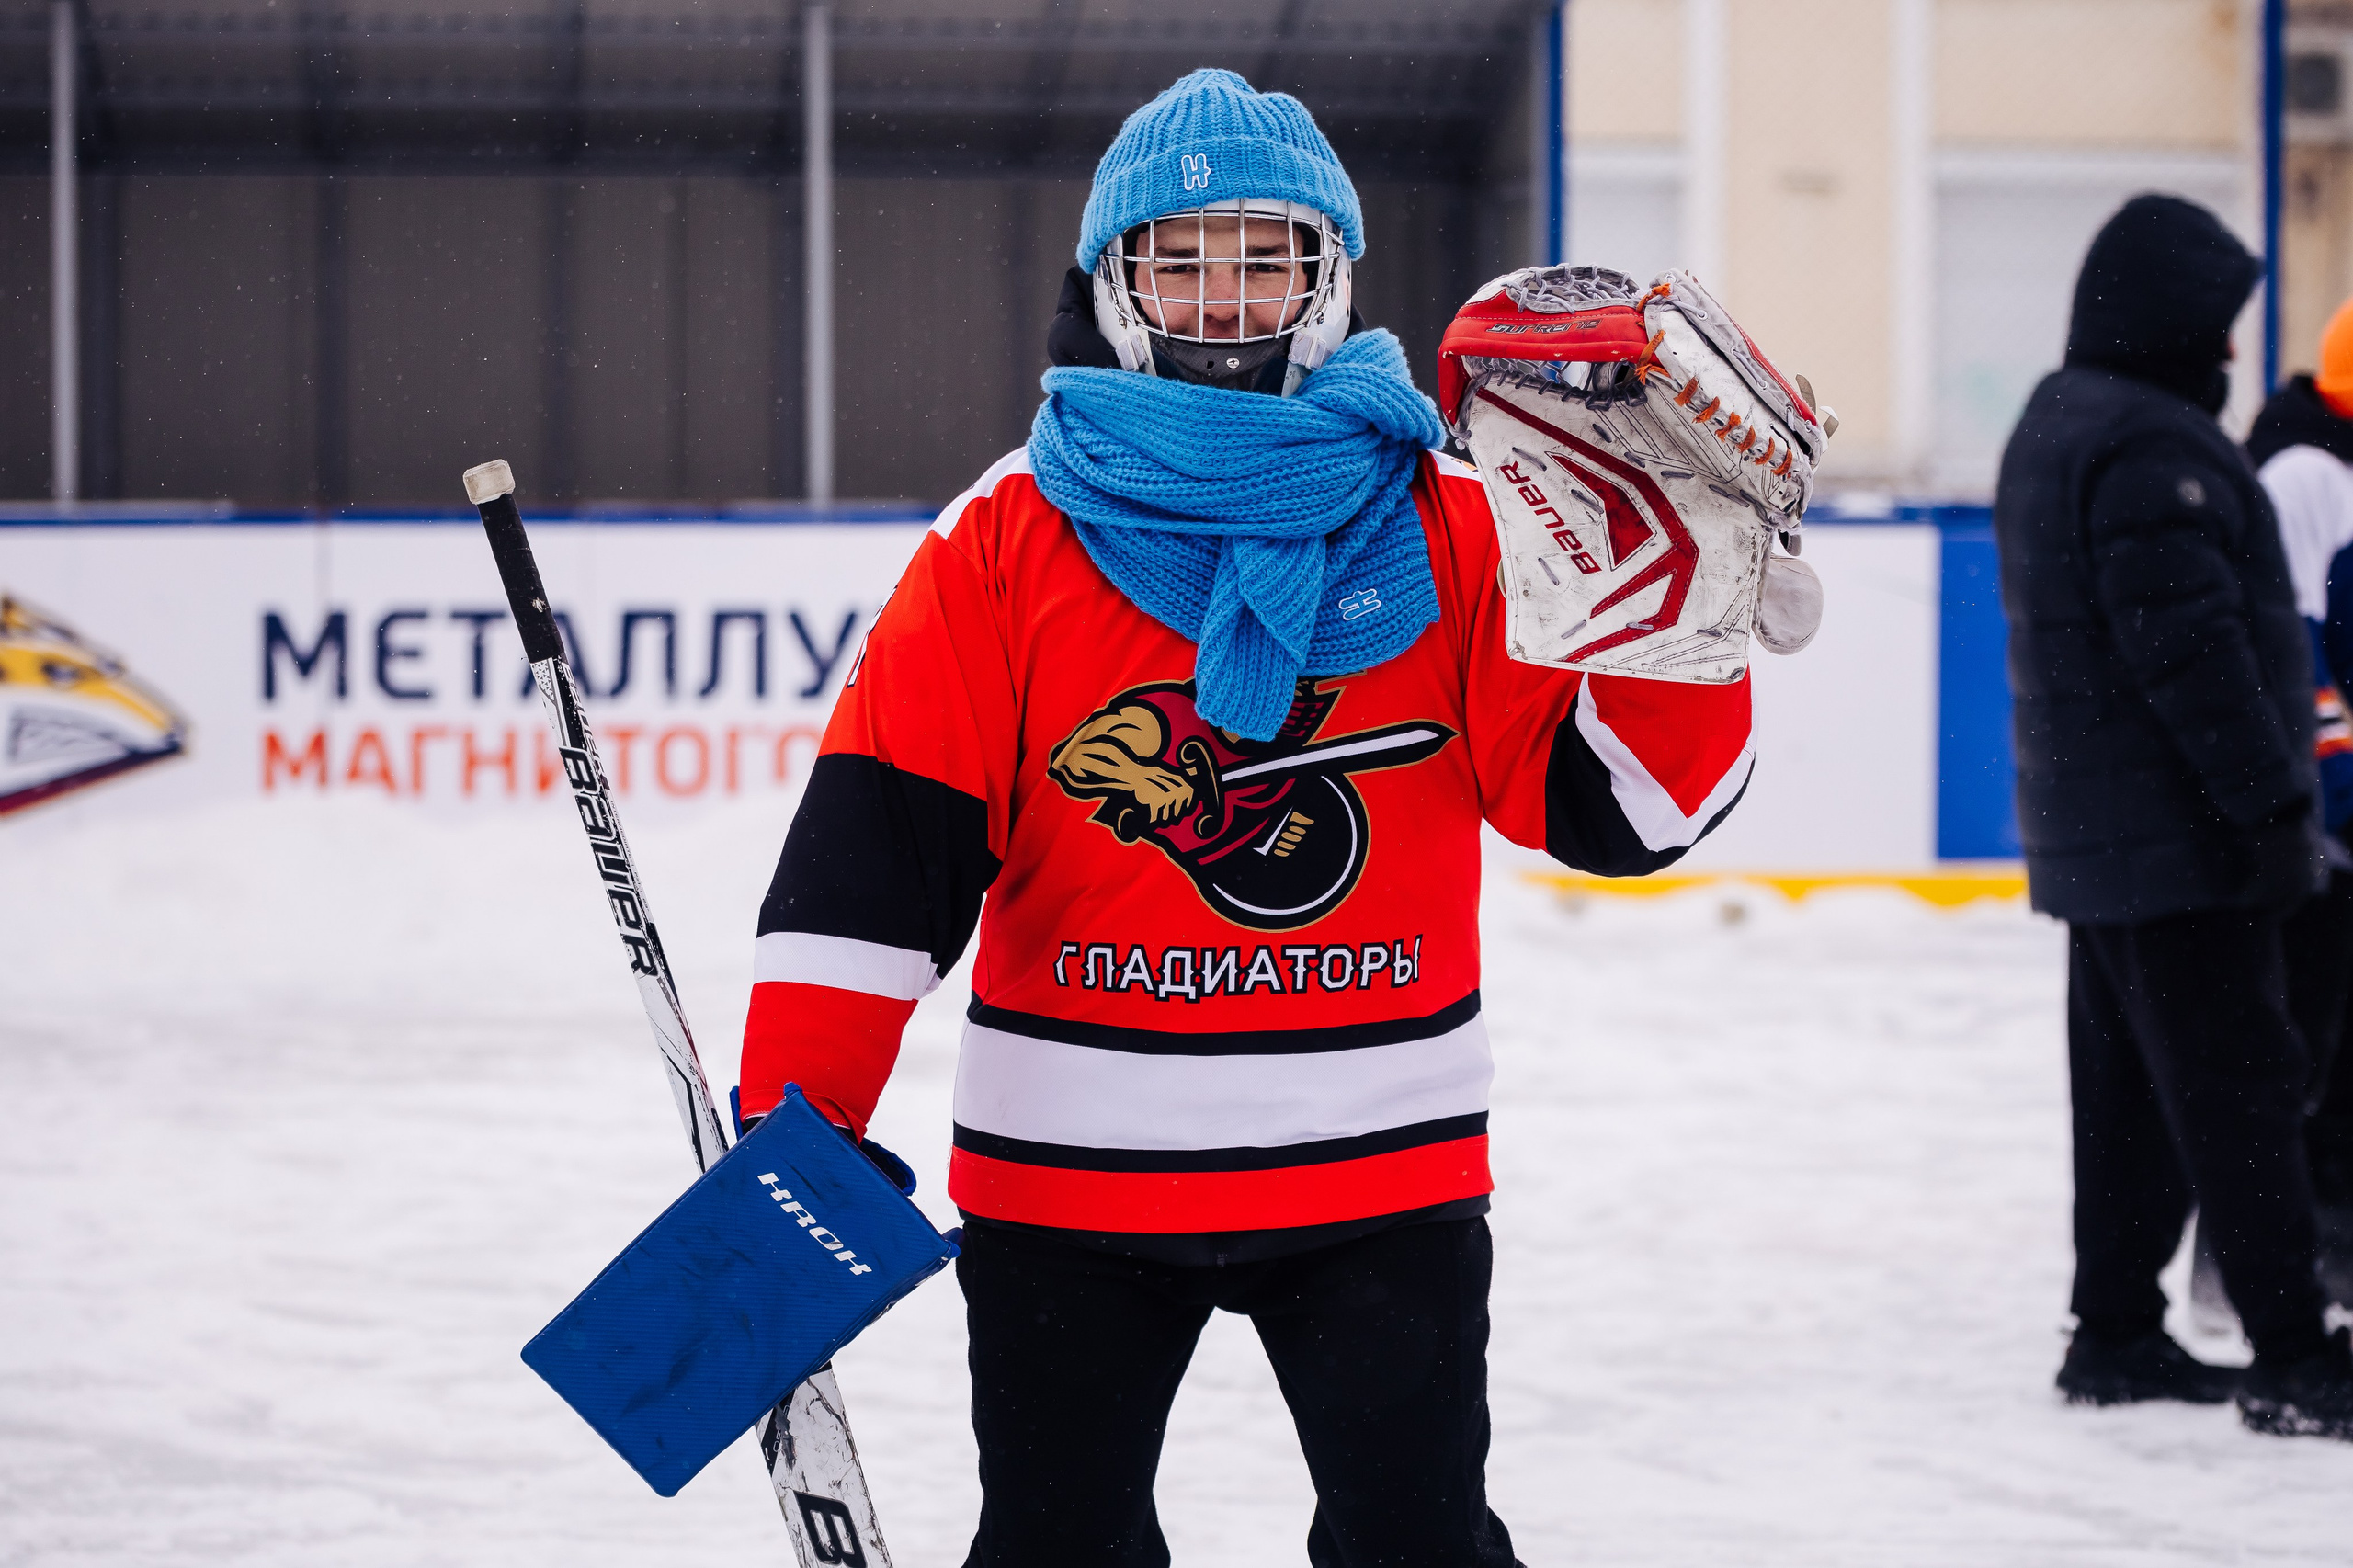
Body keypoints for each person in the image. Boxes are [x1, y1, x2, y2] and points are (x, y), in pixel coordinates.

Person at [734, 69, 1757, 1565]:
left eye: (1263, 258)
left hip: (1383, 1168)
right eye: (1181, 261)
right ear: (1115, 281)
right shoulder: (1004, 537)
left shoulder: (1454, 515)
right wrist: (787, 1138)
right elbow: (872, 875)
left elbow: (1623, 811)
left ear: (1328, 276)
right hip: (1066, 1184)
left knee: (1416, 1546)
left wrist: (1693, 617)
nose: (1224, 301)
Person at [1995, 191, 2352, 1437]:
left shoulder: (2061, 420)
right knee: (2242, 1088)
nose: (2236, 350)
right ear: (2163, 316)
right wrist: (2270, 813)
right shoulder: (2152, 446)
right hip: (2184, 836)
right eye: (2220, 321)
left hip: (2104, 834)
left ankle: (2116, 1328)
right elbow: (2194, 654)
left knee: (2132, 1089)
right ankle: (2296, 1355)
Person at [2249, 295, 2353, 1306]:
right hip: (2321, 814)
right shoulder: (2307, 473)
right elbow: (2293, 646)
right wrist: (2332, 792)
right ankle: (2288, 1261)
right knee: (2310, 1042)